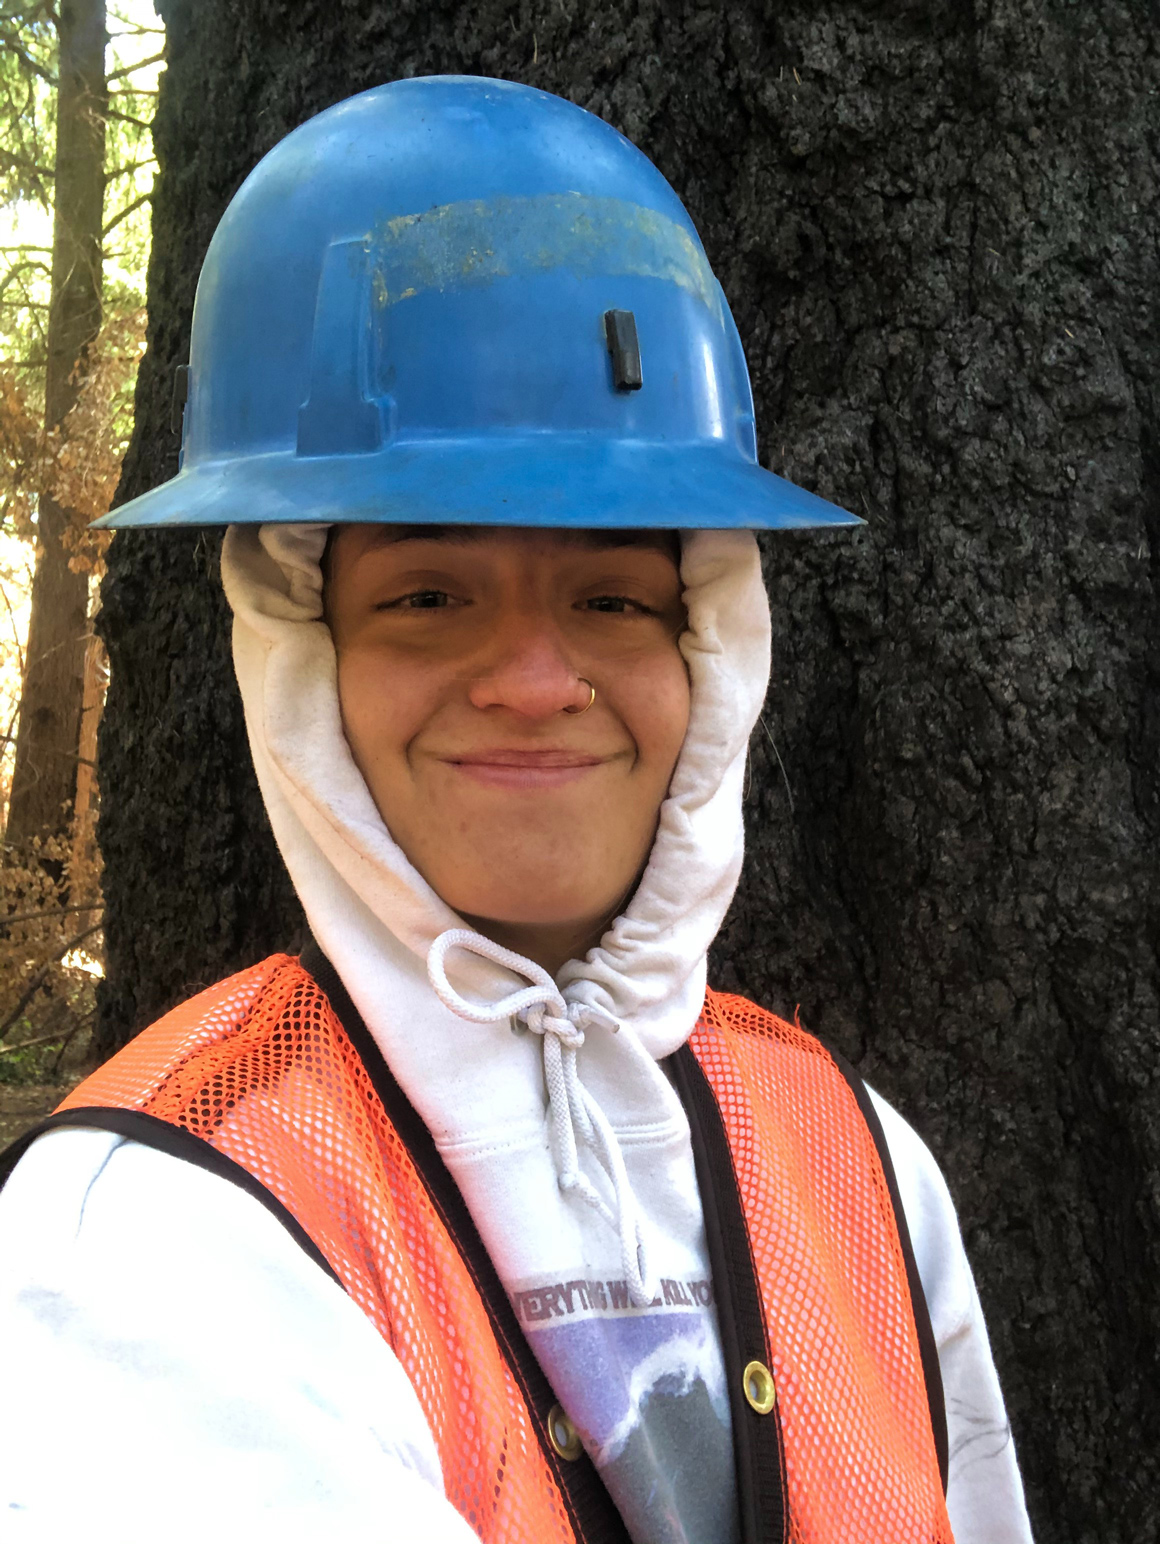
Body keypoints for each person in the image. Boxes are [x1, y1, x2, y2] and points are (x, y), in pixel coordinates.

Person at [0, 77, 1033, 1544]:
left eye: (614, 597)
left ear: (712, 652)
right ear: (304, 661)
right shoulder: (151, 1233)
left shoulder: (857, 1161)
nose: (538, 681)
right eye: (428, 597)